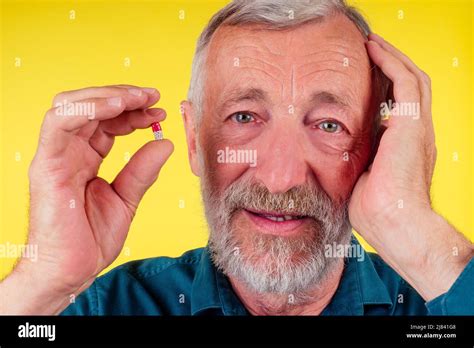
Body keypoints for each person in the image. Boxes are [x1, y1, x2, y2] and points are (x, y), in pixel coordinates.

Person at [1, 0, 473, 316]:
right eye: (244, 116)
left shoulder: (434, 302)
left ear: (378, 147)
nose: (282, 177)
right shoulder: (107, 308)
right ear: (192, 140)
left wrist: (417, 236)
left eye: (329, 125)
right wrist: (43, 282)